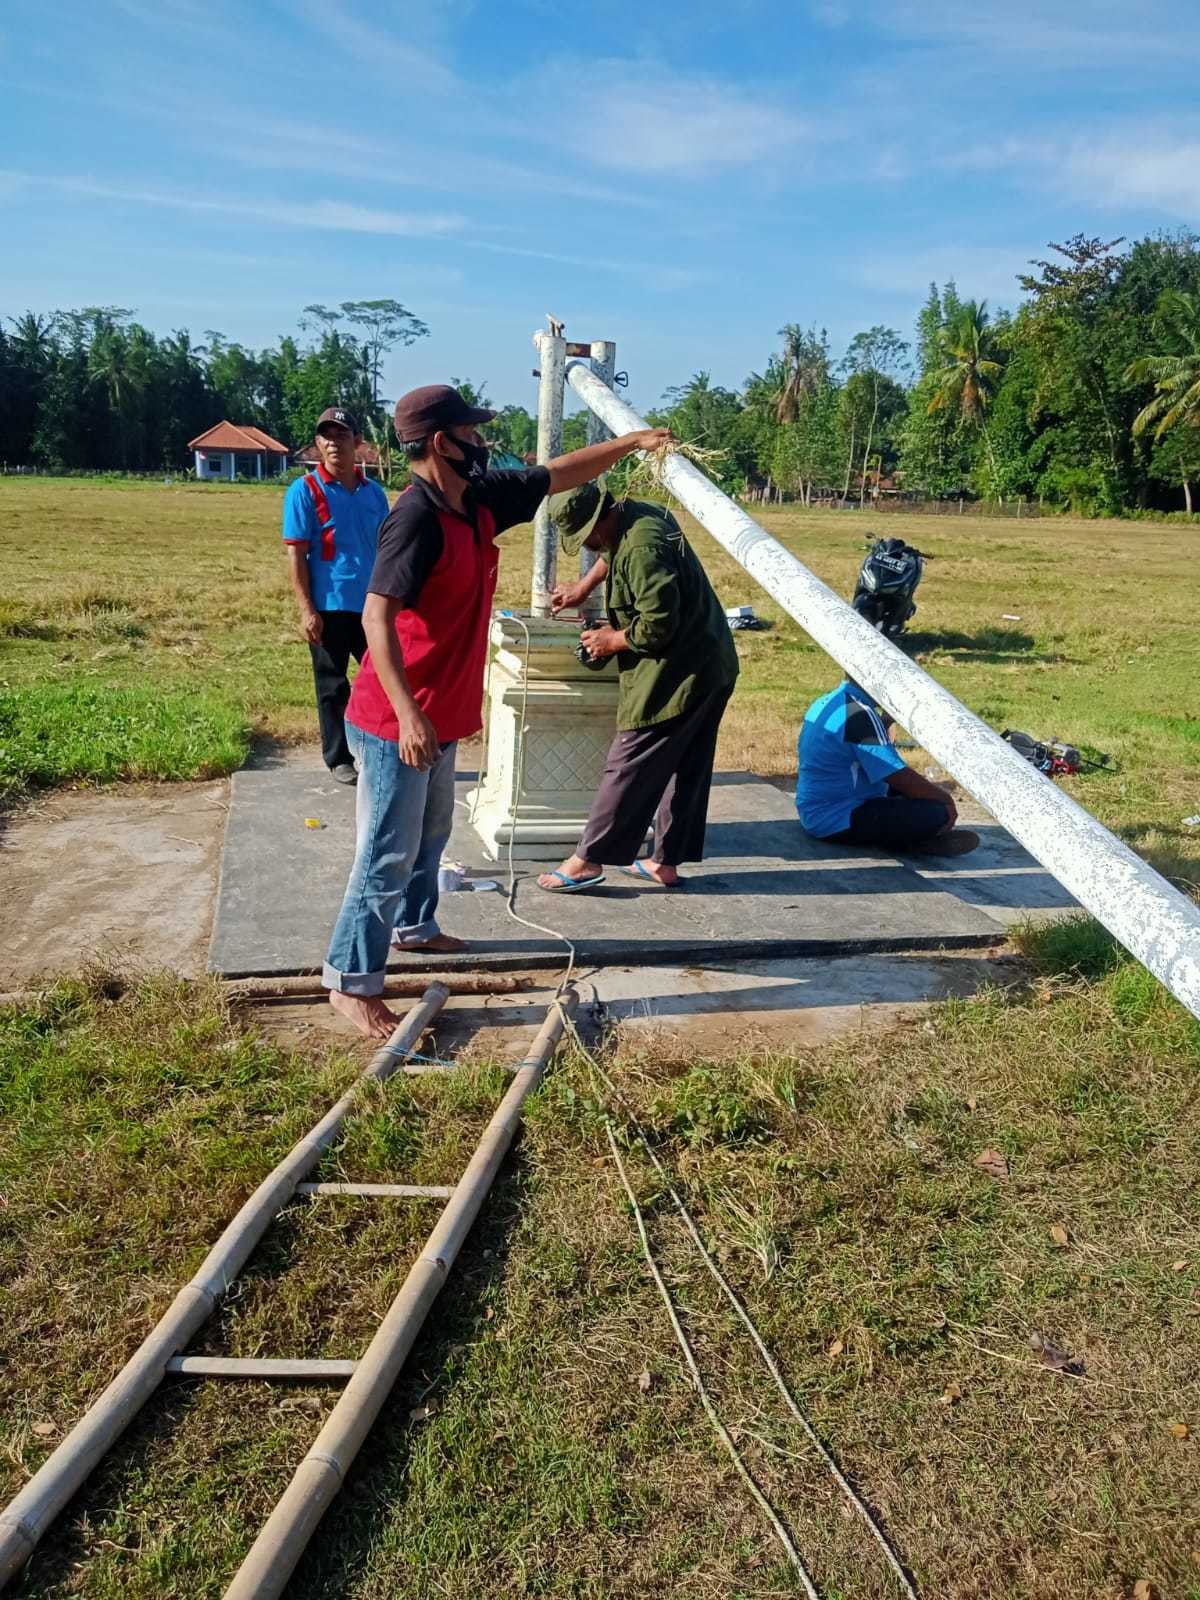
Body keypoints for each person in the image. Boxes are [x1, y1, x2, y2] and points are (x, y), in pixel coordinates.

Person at [323, 383, 672, 1037]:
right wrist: (409, 715)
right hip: (393, 717)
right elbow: (376, 616)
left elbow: (557, 474)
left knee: (428, 836)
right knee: (385, 850)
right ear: (438, 442)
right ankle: (350, 980)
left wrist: (631, 443)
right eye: (472, 433)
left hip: (441, 709)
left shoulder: (478, 498)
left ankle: (416, 927)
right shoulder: (416, 517)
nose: (482, 443)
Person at [537, 483, 739, 894]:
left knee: (630, 759)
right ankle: (664, 862)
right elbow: (613, 554)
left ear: (599, 520)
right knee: (685, 765)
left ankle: (587, 861)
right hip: (710, 661)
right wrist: (584, 588)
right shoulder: (637, 515)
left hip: (681, 672)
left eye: (588, 537)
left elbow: (657, 625)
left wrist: (611, 640)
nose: (591, 546)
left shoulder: (643, 551)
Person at [282, 407, 389, 784]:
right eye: (326, 436)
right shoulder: (304, 490)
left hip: (372, 604)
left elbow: (387, 547)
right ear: (317, 444)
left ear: (357, 443)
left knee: (385, 676)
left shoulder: (373, 493)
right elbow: (296, 551)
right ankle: (338, 757)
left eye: (341, 435)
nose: (333, 443)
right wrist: (306, 608)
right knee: (332, 684)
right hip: (328, 605)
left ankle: (383, 747)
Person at [795, 678, 979, 854]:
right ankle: (913, 843)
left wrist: (887, 720)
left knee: (916, 795)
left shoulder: (832, 700)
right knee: (937, 812)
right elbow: (895, 773)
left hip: (816, 809)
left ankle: (907, 836)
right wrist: (945, 800)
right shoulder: (859, 712)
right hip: (836, 818)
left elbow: (865, 754)